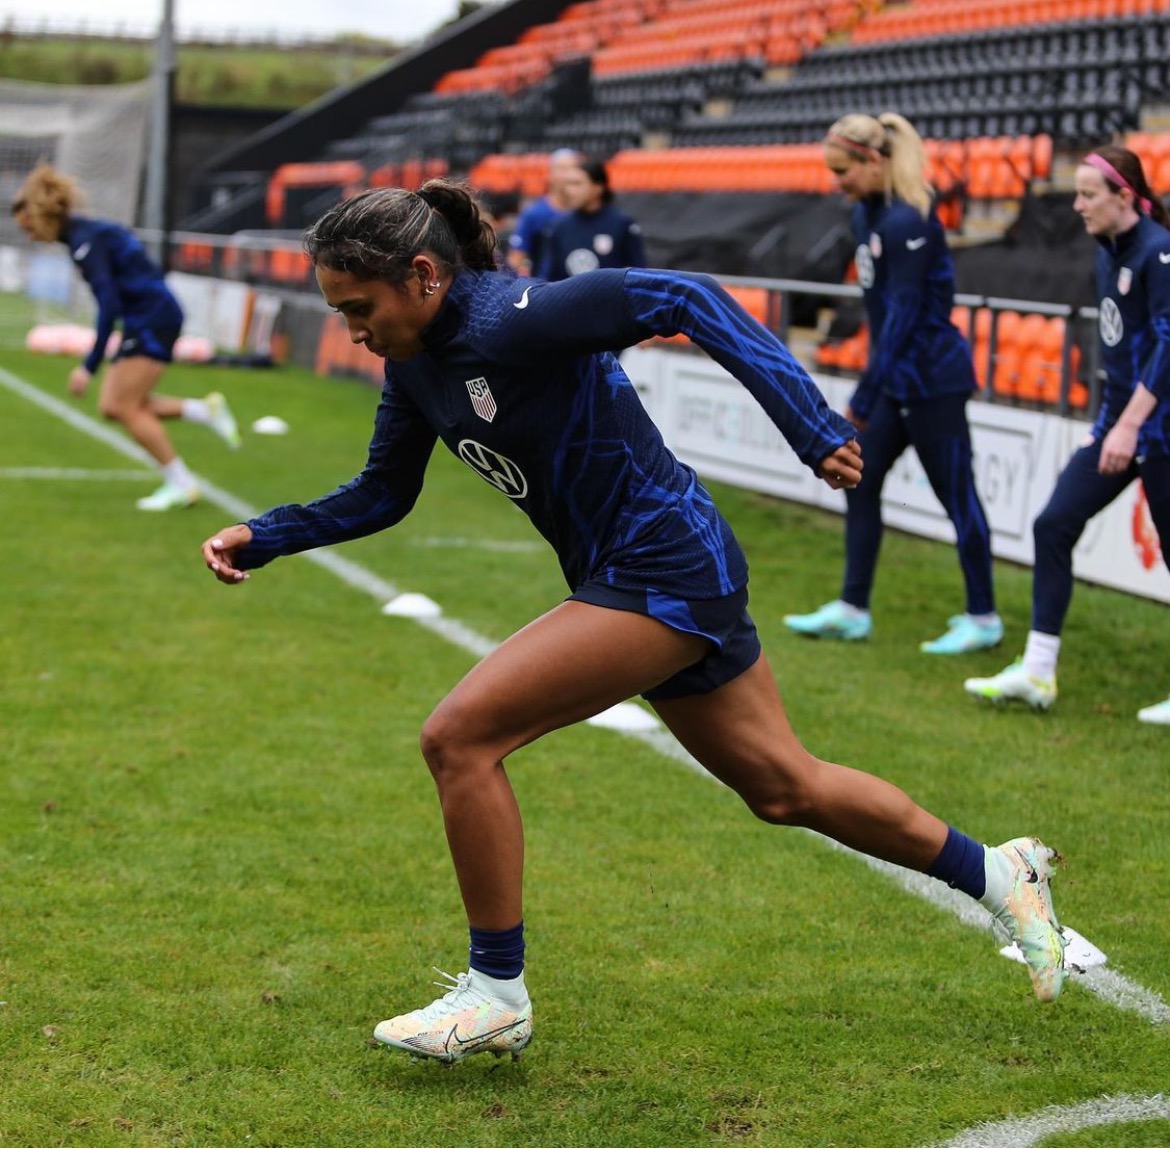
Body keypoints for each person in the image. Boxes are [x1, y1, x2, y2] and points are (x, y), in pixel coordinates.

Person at [200, 180, 1067, 1064]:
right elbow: (384, 492)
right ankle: (1003, 873)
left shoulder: (515, 317)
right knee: (784, 787)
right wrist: (264, 535)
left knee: (459, 738)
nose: (350, 329)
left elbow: (684, 296)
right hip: (647, 573)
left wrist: (810, 426)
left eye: (358, 307)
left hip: (664, 566)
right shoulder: (414, 365)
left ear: (423, 274)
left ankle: (497, 992)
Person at [784, 113, 1004, 655]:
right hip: (896, 381)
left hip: (932, 381)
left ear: (874, 160)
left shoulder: (909, 222)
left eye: (844, 170)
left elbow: (904, 320)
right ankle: (853, 609)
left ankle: (984, 618)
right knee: (860, 481)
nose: (838, 182)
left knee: (958, 498)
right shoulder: (867, 215)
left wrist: (865, 394)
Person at [965, 144, 1170, 725]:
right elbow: (1119, 350)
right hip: (1122, 429)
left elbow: (1168, 344)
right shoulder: (1109, 252)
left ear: (1123, 197)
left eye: (1087, 194)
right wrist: (1109, 426)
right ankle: (1037, 671)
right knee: (1053, 522)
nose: (1076, 205)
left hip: (1158, 431)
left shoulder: (1159, 252)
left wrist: (1130, 425)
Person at [11, 162, 241, 511]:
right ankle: (203, 411)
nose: (30, 236)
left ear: (41, 216)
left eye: (29, 227)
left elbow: (108, 306)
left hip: (152, 318)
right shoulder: (85, 235)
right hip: (147, 317)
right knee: (112, 406)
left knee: (124, 406)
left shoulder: (86, 243)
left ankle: (182, 484)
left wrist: (88, 366)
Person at [537, 156, 646, 282]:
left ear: (597, 188)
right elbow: (547, 277)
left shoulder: (622, 225)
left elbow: (638, 276)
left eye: (577, 184)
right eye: (568, 184)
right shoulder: (557, 227)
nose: (569, 191)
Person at [504, 148, 583, 277]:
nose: (568, 175)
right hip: (546, 290)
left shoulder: (585, 213)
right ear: (550, 174)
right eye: (562, 169)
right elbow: (515, 259)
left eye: (573, 168)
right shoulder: (534, 214)